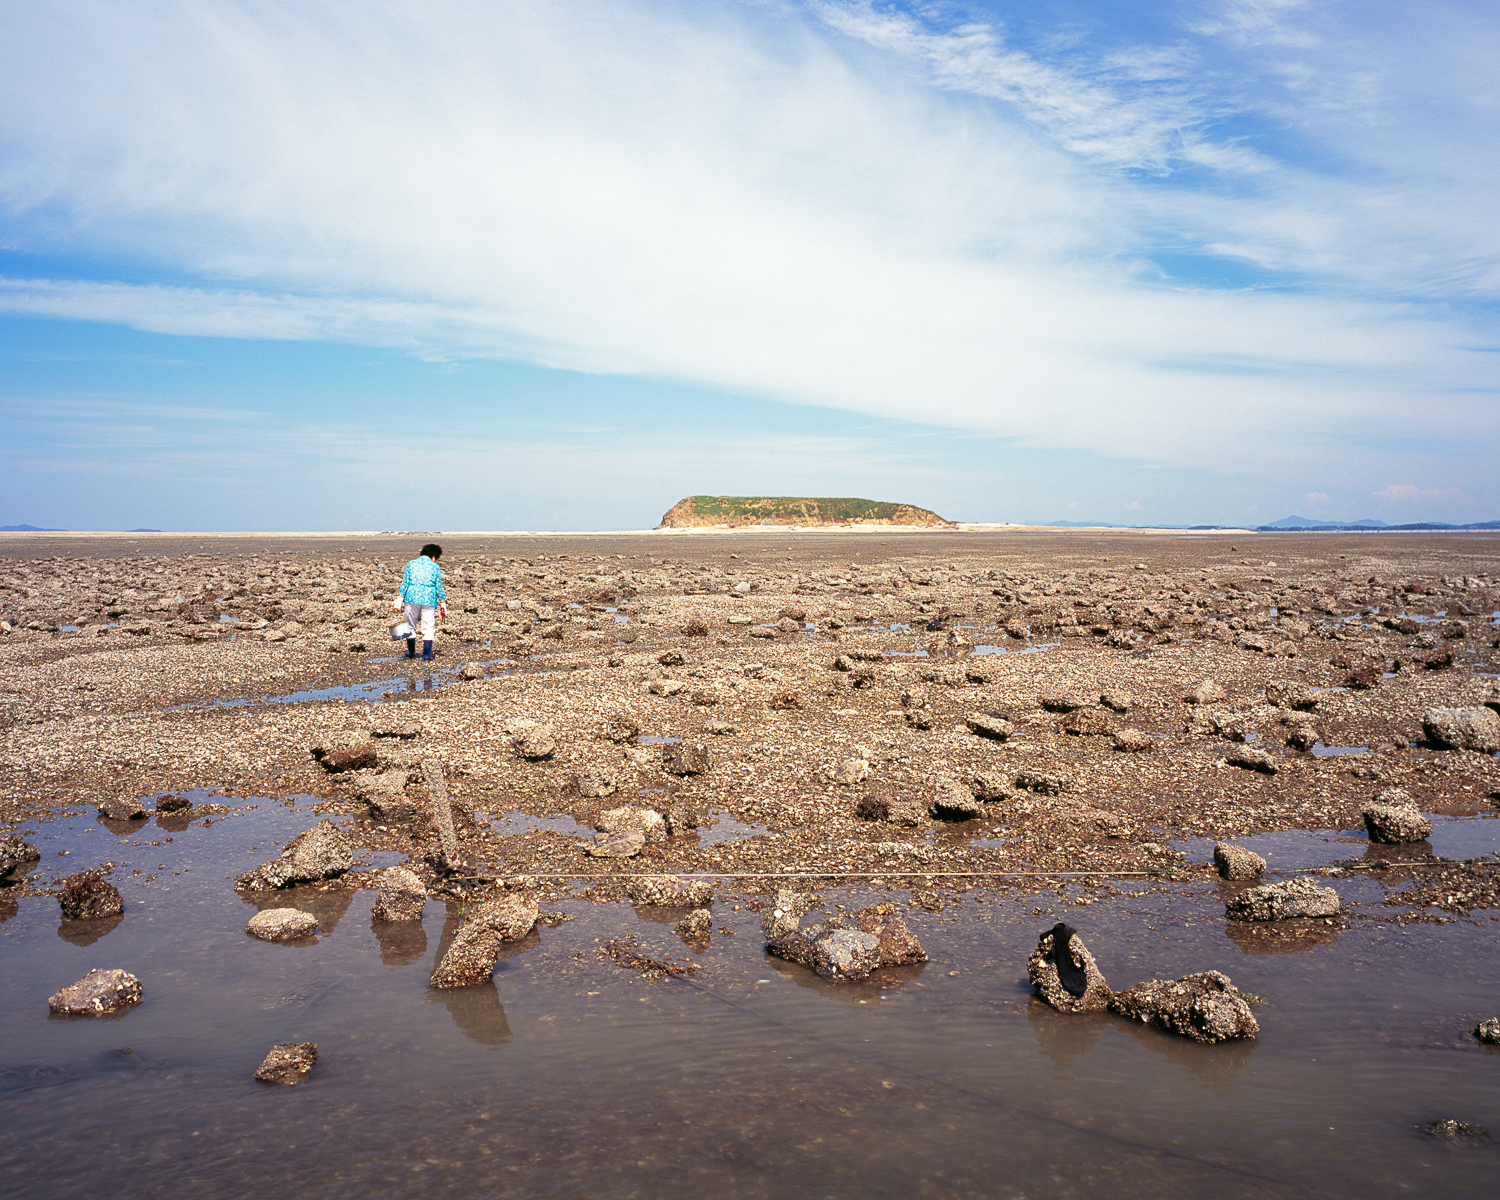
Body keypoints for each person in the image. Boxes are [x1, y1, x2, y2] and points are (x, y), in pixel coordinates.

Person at [394, 543, 447, 660]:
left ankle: (412, 653)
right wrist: (443, 603)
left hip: (411, 598)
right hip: (429, 600)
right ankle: (427, 656)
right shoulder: (435, 567)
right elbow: (439, 586)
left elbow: (405, 582)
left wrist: (399, 597)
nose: (437, 560)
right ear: (433, 555)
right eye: (437, 558)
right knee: (428, 627)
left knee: (410, 625)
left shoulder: (411, 564)